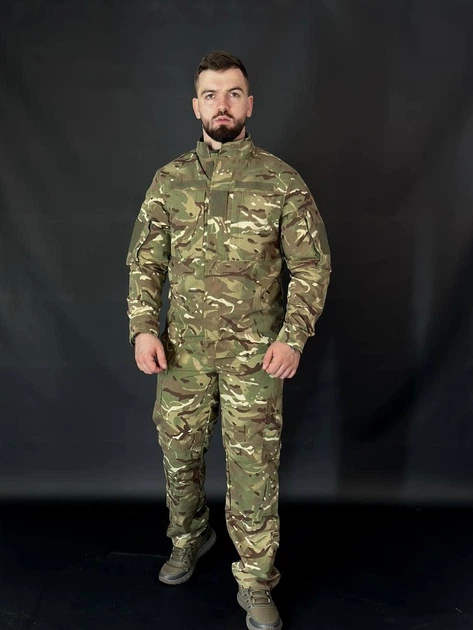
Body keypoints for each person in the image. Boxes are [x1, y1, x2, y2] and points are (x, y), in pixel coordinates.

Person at [126, 50, 331, 630]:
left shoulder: (280, 181)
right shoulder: (169, 181)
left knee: (254, 472)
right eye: (211, 95)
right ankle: (189, 538)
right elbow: (145, 263)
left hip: (256, 359)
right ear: (196, 106)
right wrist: (143, 328)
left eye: (234, 94)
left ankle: (257, 581)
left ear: (250, 104)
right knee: (179, 458)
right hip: (182, 355)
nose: (223, 105)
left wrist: (293, 337)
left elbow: (311, 266)